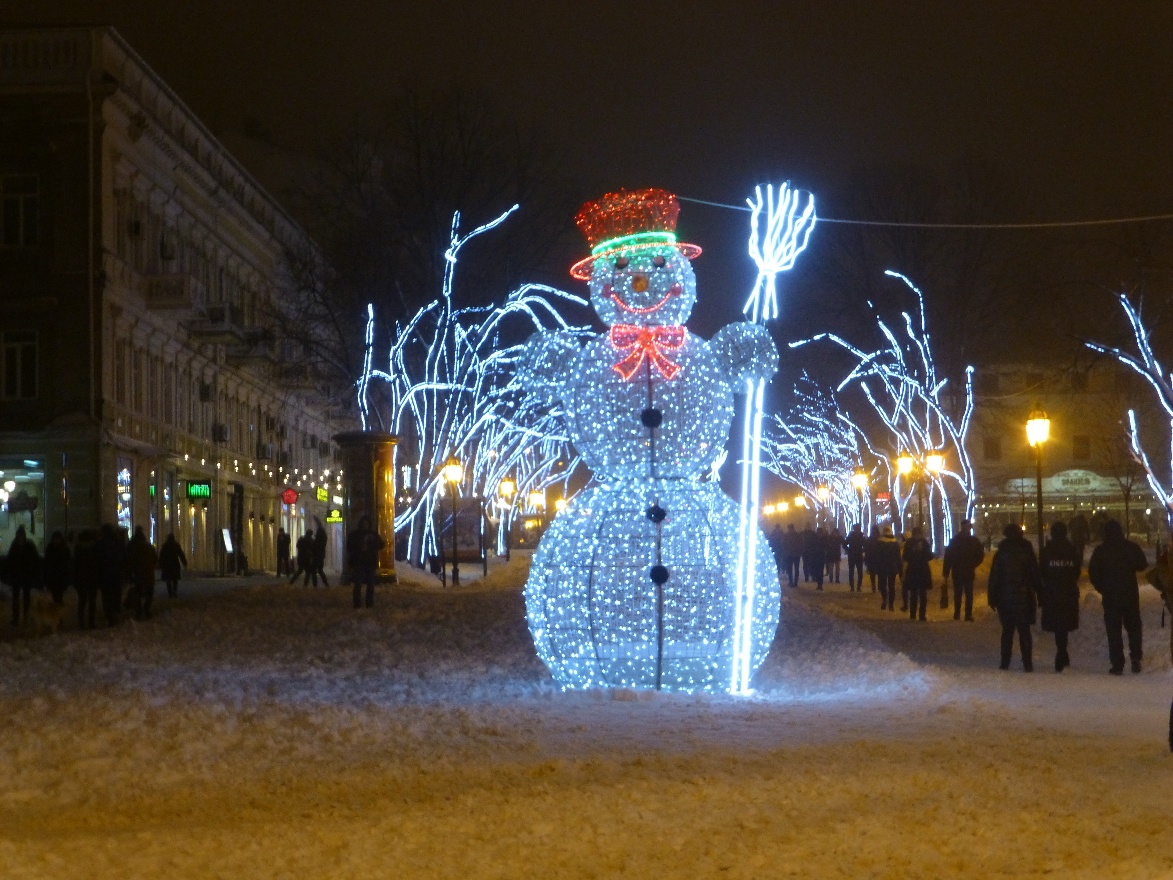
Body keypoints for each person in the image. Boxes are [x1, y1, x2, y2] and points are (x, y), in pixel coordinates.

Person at [1087, 518, 1148, 675]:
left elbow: (1093, 574)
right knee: (1134, 627)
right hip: (1130, 594)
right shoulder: (1131, 547)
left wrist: (1102, 588)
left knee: (1113, 630)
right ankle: (1135, 657)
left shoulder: (1101, 551)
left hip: (1111, 596)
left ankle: (1117, 664)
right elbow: (1142, 564)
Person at [987, 523, 1040, 672]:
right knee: (1024, 631)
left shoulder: (1001, 553)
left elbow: (995, 576)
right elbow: (1034, 574)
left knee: (1007, 631)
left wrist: (992, 596)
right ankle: (1027, 663)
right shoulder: (1027, 551)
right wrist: (1039, 592)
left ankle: (1005, 662)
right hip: (1024, 597)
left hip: (1005, 598)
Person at [1039, 520, 1081, 672]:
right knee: (1064, 623)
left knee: (1058, 625)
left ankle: (1061, 652)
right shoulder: (1072, 550)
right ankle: (1062, 652)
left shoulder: (1046, 551)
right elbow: (1076, 571)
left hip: (1052, 592)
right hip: (1068, 591)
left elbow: (1042, 571)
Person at [942, 520, 985, 621]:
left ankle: (961, 614)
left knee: (963, 593)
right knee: (964, 593)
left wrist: (946, 571)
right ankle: (964, 614)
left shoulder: (956, 541)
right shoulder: (972, 541)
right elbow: (979, 555)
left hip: (960, 570)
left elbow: (948, 556)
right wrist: (973, 564)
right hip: (965, 570)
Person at [5, 525, 41, 626]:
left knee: (26, 598)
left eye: (21, 536)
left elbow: (35, 560)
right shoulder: (18, 545)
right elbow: (9, 561)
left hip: (25, 576)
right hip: (18, 576)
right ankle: (17, 618)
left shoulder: (25, 545)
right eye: (19, 536)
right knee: (17, 598)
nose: (20, 538)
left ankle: (25, 617)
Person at [347, 516, 386, 609]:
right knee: (358, 584)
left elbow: (381, 545)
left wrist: (372, 546)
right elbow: (349, 547)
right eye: (363, 524)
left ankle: (369, 603)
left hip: (370, 562)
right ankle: (357, 603)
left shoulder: (373, 534)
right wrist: (359, 547)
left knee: (370, 584)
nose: (365, 525)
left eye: (366, 524)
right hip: (359, 562)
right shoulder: (355, 535)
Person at [902, 526, 934, 621]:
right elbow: (905, 556)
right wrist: (915, 552)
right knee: (915, 594)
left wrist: (921, 552)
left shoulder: (923, 543)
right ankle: (916, 614)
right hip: (918, 570)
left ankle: (919, 614)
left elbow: (929, 556)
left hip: (918, 570)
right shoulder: (912, 543)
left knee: (920, 594)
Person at [97, 524, 125, 626]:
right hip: (116, 573)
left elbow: (98, 559)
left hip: (105, 574)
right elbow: (124, 557)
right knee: (116, 594)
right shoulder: (118, 542)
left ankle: (109, 615)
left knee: (107, 596)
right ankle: (115, 612)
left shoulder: (101, 543)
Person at [127, 526, 158, 620]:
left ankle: (139, 610)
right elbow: (155, 559)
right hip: (148, 573)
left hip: (137, 574)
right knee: (149, 592)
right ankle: (146, 609)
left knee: (137, 592)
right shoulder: (148, 546)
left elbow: (128, 560)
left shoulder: (132, 546)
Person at [73, 528, 99, 629]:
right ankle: (90, 622)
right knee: (92, 601)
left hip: (81, 579)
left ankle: (81, 622)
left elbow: (75, 566)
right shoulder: (94, 548)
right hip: (92, 578)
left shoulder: (78, 549)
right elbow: (97, 564)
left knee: (82, 601)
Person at [873, 526, 902, 611]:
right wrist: (900, 569)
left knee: (882, 584)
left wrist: (875, 567)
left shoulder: (879, 542)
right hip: (892, 567)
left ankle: (884, 599)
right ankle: (891, 604)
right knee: (891, 586)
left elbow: (876, 556)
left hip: (882, 566)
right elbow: (898, 557)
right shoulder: (895, 543)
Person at [43, 531, 72, 605]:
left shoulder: (62, 549)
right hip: (54, 575)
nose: (56, 540)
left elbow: (68, 562)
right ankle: (58, 609)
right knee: (56, 595)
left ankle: (58, 609)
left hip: (60, 575)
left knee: (59, 594)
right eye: (55, 539)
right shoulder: (61, 548)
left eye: (57, 538)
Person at [158, 533, 187, 599]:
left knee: (168, 579)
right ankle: (174, 590)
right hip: (174, 564)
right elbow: (181, 554)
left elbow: (161, 556)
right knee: (175, 579)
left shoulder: (165, 545)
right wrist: (184, 562)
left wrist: (160, 564)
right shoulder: (176, 545)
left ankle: (170, 592)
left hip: (167, 564)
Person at [843, 524, 866, 592]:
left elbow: (844, 544)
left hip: (854, 555)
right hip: (855, 555)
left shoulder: (853, 536)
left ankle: (855, 586)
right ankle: (855, 586)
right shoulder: (858, 536)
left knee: (855, 571)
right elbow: (844, 544)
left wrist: (848, 550)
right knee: (855, 571)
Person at [311, 520, 331, 587]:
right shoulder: (324, 536)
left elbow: (316, 546)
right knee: (320, 570)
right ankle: (326, 583)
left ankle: (315, 585)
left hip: (317, 555)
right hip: (321, 555)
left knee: (315, 570)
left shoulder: (319, 539)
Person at [864, 529, 881, 593]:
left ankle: (876, 586)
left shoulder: (869, 540)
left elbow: (866, 550)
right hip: (874, 559)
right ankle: (875, 586)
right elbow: (866, 550)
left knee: (876, 574)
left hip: (875, 559)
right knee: (874, 574)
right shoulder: (879, 540)